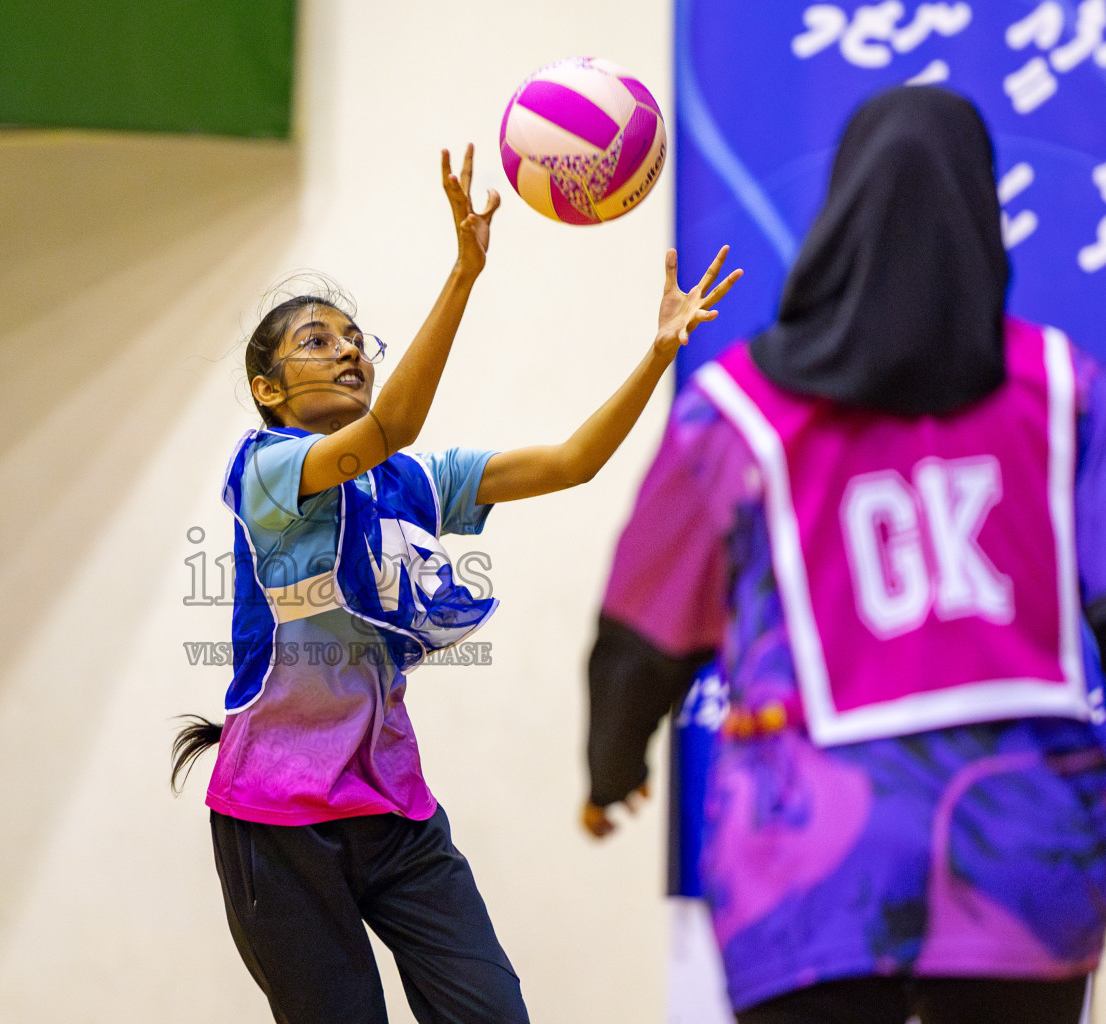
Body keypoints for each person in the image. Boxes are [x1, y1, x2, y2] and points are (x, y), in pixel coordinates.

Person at [173, 143, 740, 1024]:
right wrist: (465, 272)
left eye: (356, 339)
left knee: (492, 1013)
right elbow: (393, 421)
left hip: (394, 813)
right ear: (267, 388)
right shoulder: (267, 468)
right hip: (276, 825)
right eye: (317, 342)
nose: (349, 351)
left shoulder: (407, 482)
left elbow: (571, 462)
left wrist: (658, 354)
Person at [583, 86, 1106, 1024]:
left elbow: (644, 625)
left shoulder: (738, 412)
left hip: (810, 859)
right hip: (1025, 852)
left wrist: (611, 764)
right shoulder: (1064, 389)